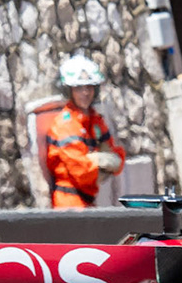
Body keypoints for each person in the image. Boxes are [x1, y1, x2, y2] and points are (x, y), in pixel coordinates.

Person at [46, 55, 126, 209]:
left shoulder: (94, 120)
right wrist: (100, 161)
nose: (85, 92)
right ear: (69, 90)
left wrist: (103, 161)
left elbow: (116, 157)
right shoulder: (65, 124)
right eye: (78, 88)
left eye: (89, 87)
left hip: (88, 201)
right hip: (69, 203)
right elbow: (80, 171)